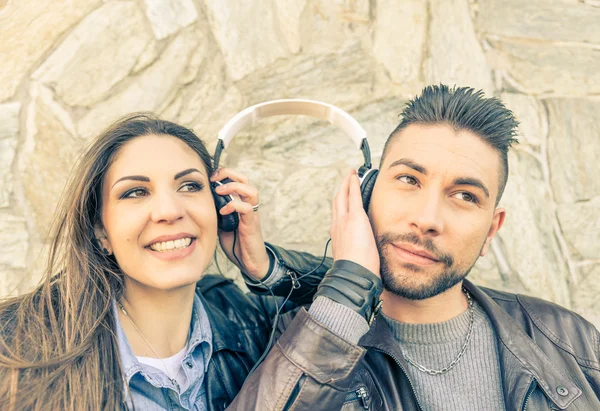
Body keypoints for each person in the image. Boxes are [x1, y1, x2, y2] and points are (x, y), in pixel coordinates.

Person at [228, 85, 600, 410]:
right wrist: (347, 284)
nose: (427, 219)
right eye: (409, 179)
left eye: (465, 196)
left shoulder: (571, 341)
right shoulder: (300, 342)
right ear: (366, 194)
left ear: (491, 230)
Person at [0, 113, 329, 410]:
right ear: (101, 230)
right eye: (136, 192)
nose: (170, 211)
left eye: (189, 186)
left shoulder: (250, 324)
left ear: (219, 208)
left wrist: (267, 268)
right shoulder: (15, 348)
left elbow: (357, 307)